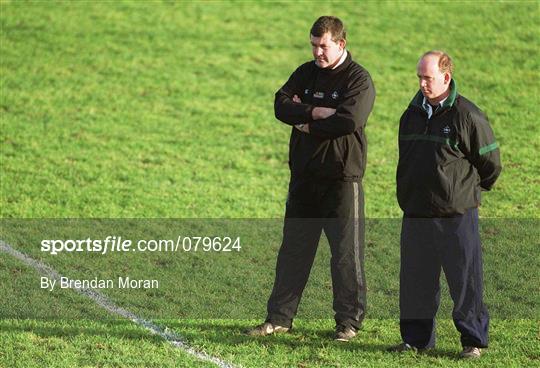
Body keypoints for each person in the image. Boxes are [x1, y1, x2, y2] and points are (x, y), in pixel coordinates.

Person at [247, 15, 375, 342]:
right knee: (293, 251)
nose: (318, 52)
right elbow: (280, 105)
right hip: (304, 178)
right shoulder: (306, 73)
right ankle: (279, 319)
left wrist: (305, 121)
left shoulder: (358, 80)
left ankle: (348, 324)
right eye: (314, 45)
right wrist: (315, 113)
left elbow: (349, 120)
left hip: (341, 181)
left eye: (323, 46)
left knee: (345, 254)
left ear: (341, 44)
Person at [388, 50, 502, 358]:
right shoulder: (410, 114)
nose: (422, 84)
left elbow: (490, 163)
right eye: (419, 78)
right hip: (416, 213)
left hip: (457, 215)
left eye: (428, 78)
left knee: (465, 280)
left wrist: (465, 192)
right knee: (415, 280)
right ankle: (416, 339)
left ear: (446, 77)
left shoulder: (467, 116)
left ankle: (473, 341)